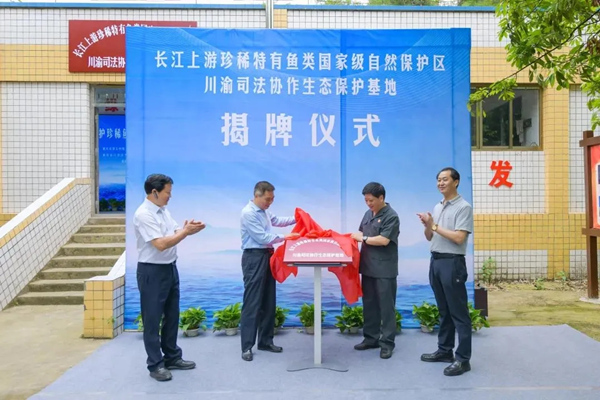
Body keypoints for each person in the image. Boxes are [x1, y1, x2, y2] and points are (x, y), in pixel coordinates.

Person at [133, 174, 206, 382]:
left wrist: (187, 229)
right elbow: (161, 244)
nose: (170, 196)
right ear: (154, 192)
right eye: (167, 192)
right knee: (152, 319)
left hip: (169, 268)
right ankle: (155, 364)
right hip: (152, 271)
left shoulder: (163, 210)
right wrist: (185, 233)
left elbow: (174, 231)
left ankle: (172, 356)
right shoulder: (143, 214)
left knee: (172, 315)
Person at [417, 167, 474, 376]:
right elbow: (430, 237)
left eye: (445, 179)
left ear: (456, 182)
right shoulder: (438, 206)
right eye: (438, 180)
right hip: (436, 261)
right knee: (444, 310)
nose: (440, 183)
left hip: (452, 263)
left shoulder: (463, 207)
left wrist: (434, 226)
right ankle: (445, 350)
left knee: (459, 313)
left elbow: (459, 238)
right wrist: (428, 225)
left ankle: (463, 359)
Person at [239, 181, 299, 362]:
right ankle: (247, 346)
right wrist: (286, 237)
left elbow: (277, 220)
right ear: (257, 195)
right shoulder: (248, 213)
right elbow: (262, 237)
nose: (270, 202)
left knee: (268, 301)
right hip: (254, 257)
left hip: (267, 256)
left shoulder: (264, 211)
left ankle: (265, 341)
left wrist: (297, 218)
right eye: (267, 199)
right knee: (252, 302)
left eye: (272, 199)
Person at [351, 182, 400, 359]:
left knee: (386, 308)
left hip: (385, 270)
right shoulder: (368, 213)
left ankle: (387, 343)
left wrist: (363, 238)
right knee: (369, 305)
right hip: (368, 267)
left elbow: (383, 240)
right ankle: (370, 338)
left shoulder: (391, 216)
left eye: (371, 200)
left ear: (381, 198)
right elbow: (359, 234)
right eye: (366, 200)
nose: (368, 203)